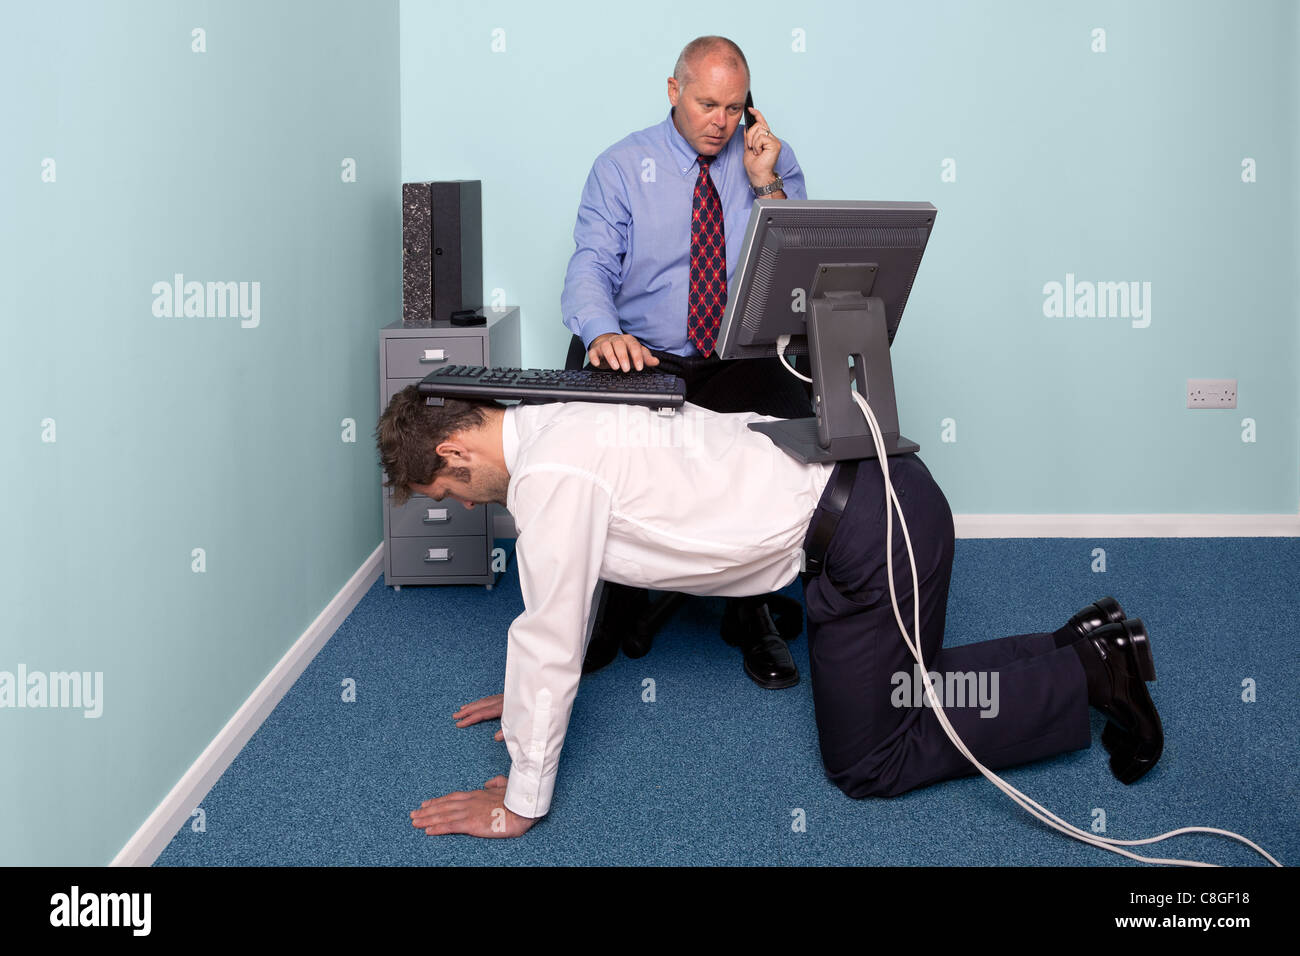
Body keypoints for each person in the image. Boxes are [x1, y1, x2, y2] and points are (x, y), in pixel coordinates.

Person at [374, 389, 1164, 839]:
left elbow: (548, 636)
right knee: (905, 683)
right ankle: (1083, 643)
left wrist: (521, 800)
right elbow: (556, 620)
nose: (462, 504)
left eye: (446, 494)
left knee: (872, 759)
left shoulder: (548, 479)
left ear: (453, 454)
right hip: (877, 503)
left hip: (876, 534)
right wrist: (519, 707)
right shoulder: (554, 418)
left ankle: (1093, 677)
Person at [559, 35, 811, 689]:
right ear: (674, 91)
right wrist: (602, 331)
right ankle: (618, 594)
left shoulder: (768, 165)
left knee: (787, 407)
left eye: (733, 108)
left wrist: (766, 189)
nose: (720, 122)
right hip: (647, 352)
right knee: (597, 400)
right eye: (706, 104)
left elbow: (796, 283)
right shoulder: (621, 166)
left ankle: (750, 609)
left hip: (735, 355)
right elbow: (589, 264)